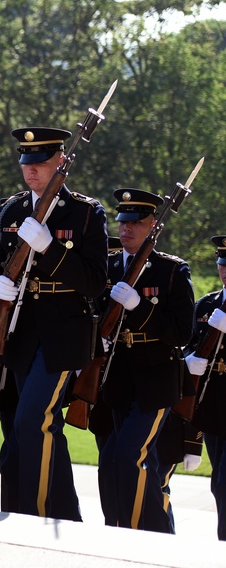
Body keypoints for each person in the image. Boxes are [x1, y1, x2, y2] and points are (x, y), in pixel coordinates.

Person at [0, 127, 107, 520]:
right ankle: (66, 514)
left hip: (63, 337)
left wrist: (49, 248)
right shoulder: (11, 210)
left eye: (40, 164)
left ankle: (35, 517)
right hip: (19, 334)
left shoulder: (86, 213)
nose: (31, 171)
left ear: (60, 163)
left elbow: (93, 282)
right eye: (26, 163)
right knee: (39, 427)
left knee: (33, 419)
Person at [95, 188, 194, 533]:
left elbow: (181, 332)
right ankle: (132, 528)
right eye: (123, 222)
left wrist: (140, 308)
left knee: (129, 455)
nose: (126, 230)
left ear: (152, 224)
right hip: (118, 377)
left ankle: (135, 537)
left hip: (156, 379)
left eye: (136, 223)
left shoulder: (171, 271)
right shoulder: (107, 267)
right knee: (111, 460)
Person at [184, 235, 226, 539]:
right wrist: (188, 361)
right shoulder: (207, 304)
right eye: (222, 263)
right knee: (218, 482)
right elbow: (187, 346)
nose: (225, 270)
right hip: (212, 409)